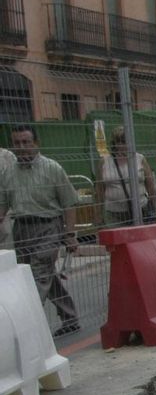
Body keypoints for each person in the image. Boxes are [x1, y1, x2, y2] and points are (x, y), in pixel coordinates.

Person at [0, 125, 80, 335]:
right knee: (39, 276)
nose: (22, 147)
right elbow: (3, 204)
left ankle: (28, 330)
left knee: (38, 277)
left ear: (36, 144)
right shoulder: (9, 172)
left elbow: (69, 203)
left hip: (48, 227)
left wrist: (70, 235)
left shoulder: (52, 168)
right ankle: (70, 317)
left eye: (26, 142)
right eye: (17, 143)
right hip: (22, 229)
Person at [96, 126, 156, 228]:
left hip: (140, 210)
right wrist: (98, 215)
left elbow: (150, 186)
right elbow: (99, 190)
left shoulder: (140, 159)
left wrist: (154, 210)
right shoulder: (104, 162)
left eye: (124, 141)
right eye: (118, 142)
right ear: (114, 143)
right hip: (113, 212)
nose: (121, 145)